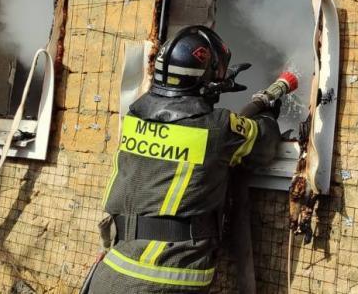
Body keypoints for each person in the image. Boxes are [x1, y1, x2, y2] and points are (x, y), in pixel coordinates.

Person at [82, 25, 293, 293]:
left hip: (112, 269)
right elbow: (265, 143)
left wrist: (209, 87)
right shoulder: (218, 128)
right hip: (164, 279)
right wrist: (266, 113)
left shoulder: (135, 118)